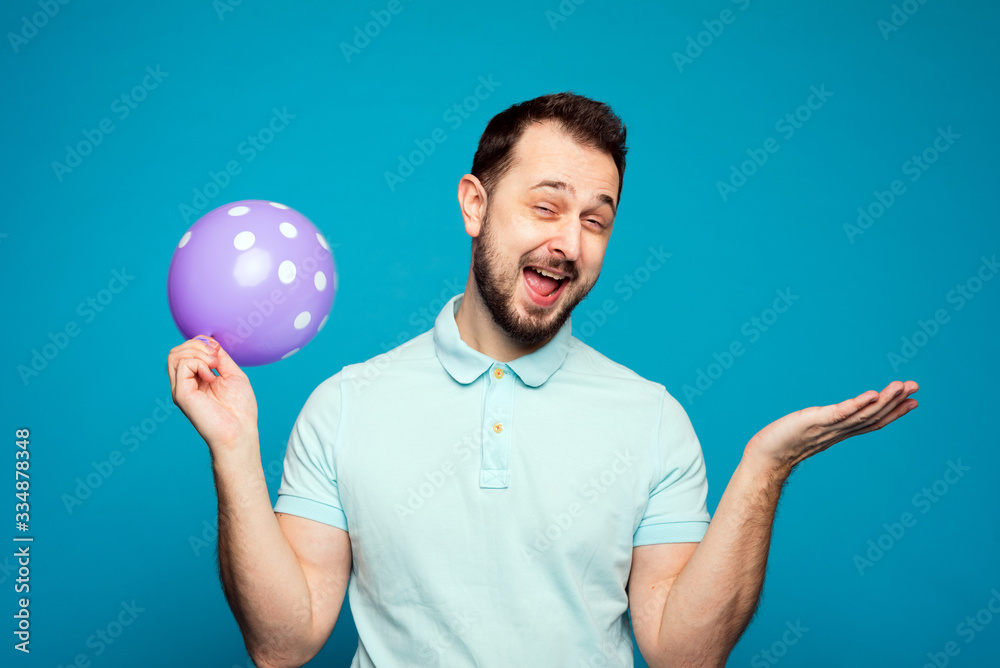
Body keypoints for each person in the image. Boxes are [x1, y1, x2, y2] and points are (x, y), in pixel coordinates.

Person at [167, 92, 919, 668]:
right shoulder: (346, 405)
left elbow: (683, 654)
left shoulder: (651, 419)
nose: (568, 242)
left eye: (597, 220)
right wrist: (234, 450)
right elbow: (283, 643)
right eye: (547, 206)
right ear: (475, 204)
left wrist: (765, 467)